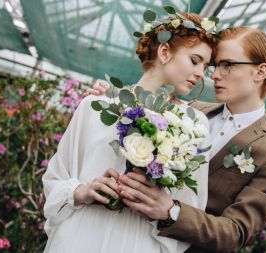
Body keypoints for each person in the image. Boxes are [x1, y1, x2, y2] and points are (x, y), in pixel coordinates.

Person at [87, 27, 266, 252]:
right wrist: (109, 100)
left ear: (260, 72)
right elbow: (135, 112)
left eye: (227, 65)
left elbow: (236, 232)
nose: (215, 75)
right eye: (215, 65)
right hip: (131, 239)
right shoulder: (185, 111)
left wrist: (171, 211)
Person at [42, 12, 218, 253]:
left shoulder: (195, 124)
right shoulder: (96, 106)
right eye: (195, 60)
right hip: (80, 235)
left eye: (206, 67)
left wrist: (162, 205)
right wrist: (82, 191)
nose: (201, 74)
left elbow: (193, 203)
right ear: (164, 52)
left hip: (139, 241)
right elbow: (54, 178)